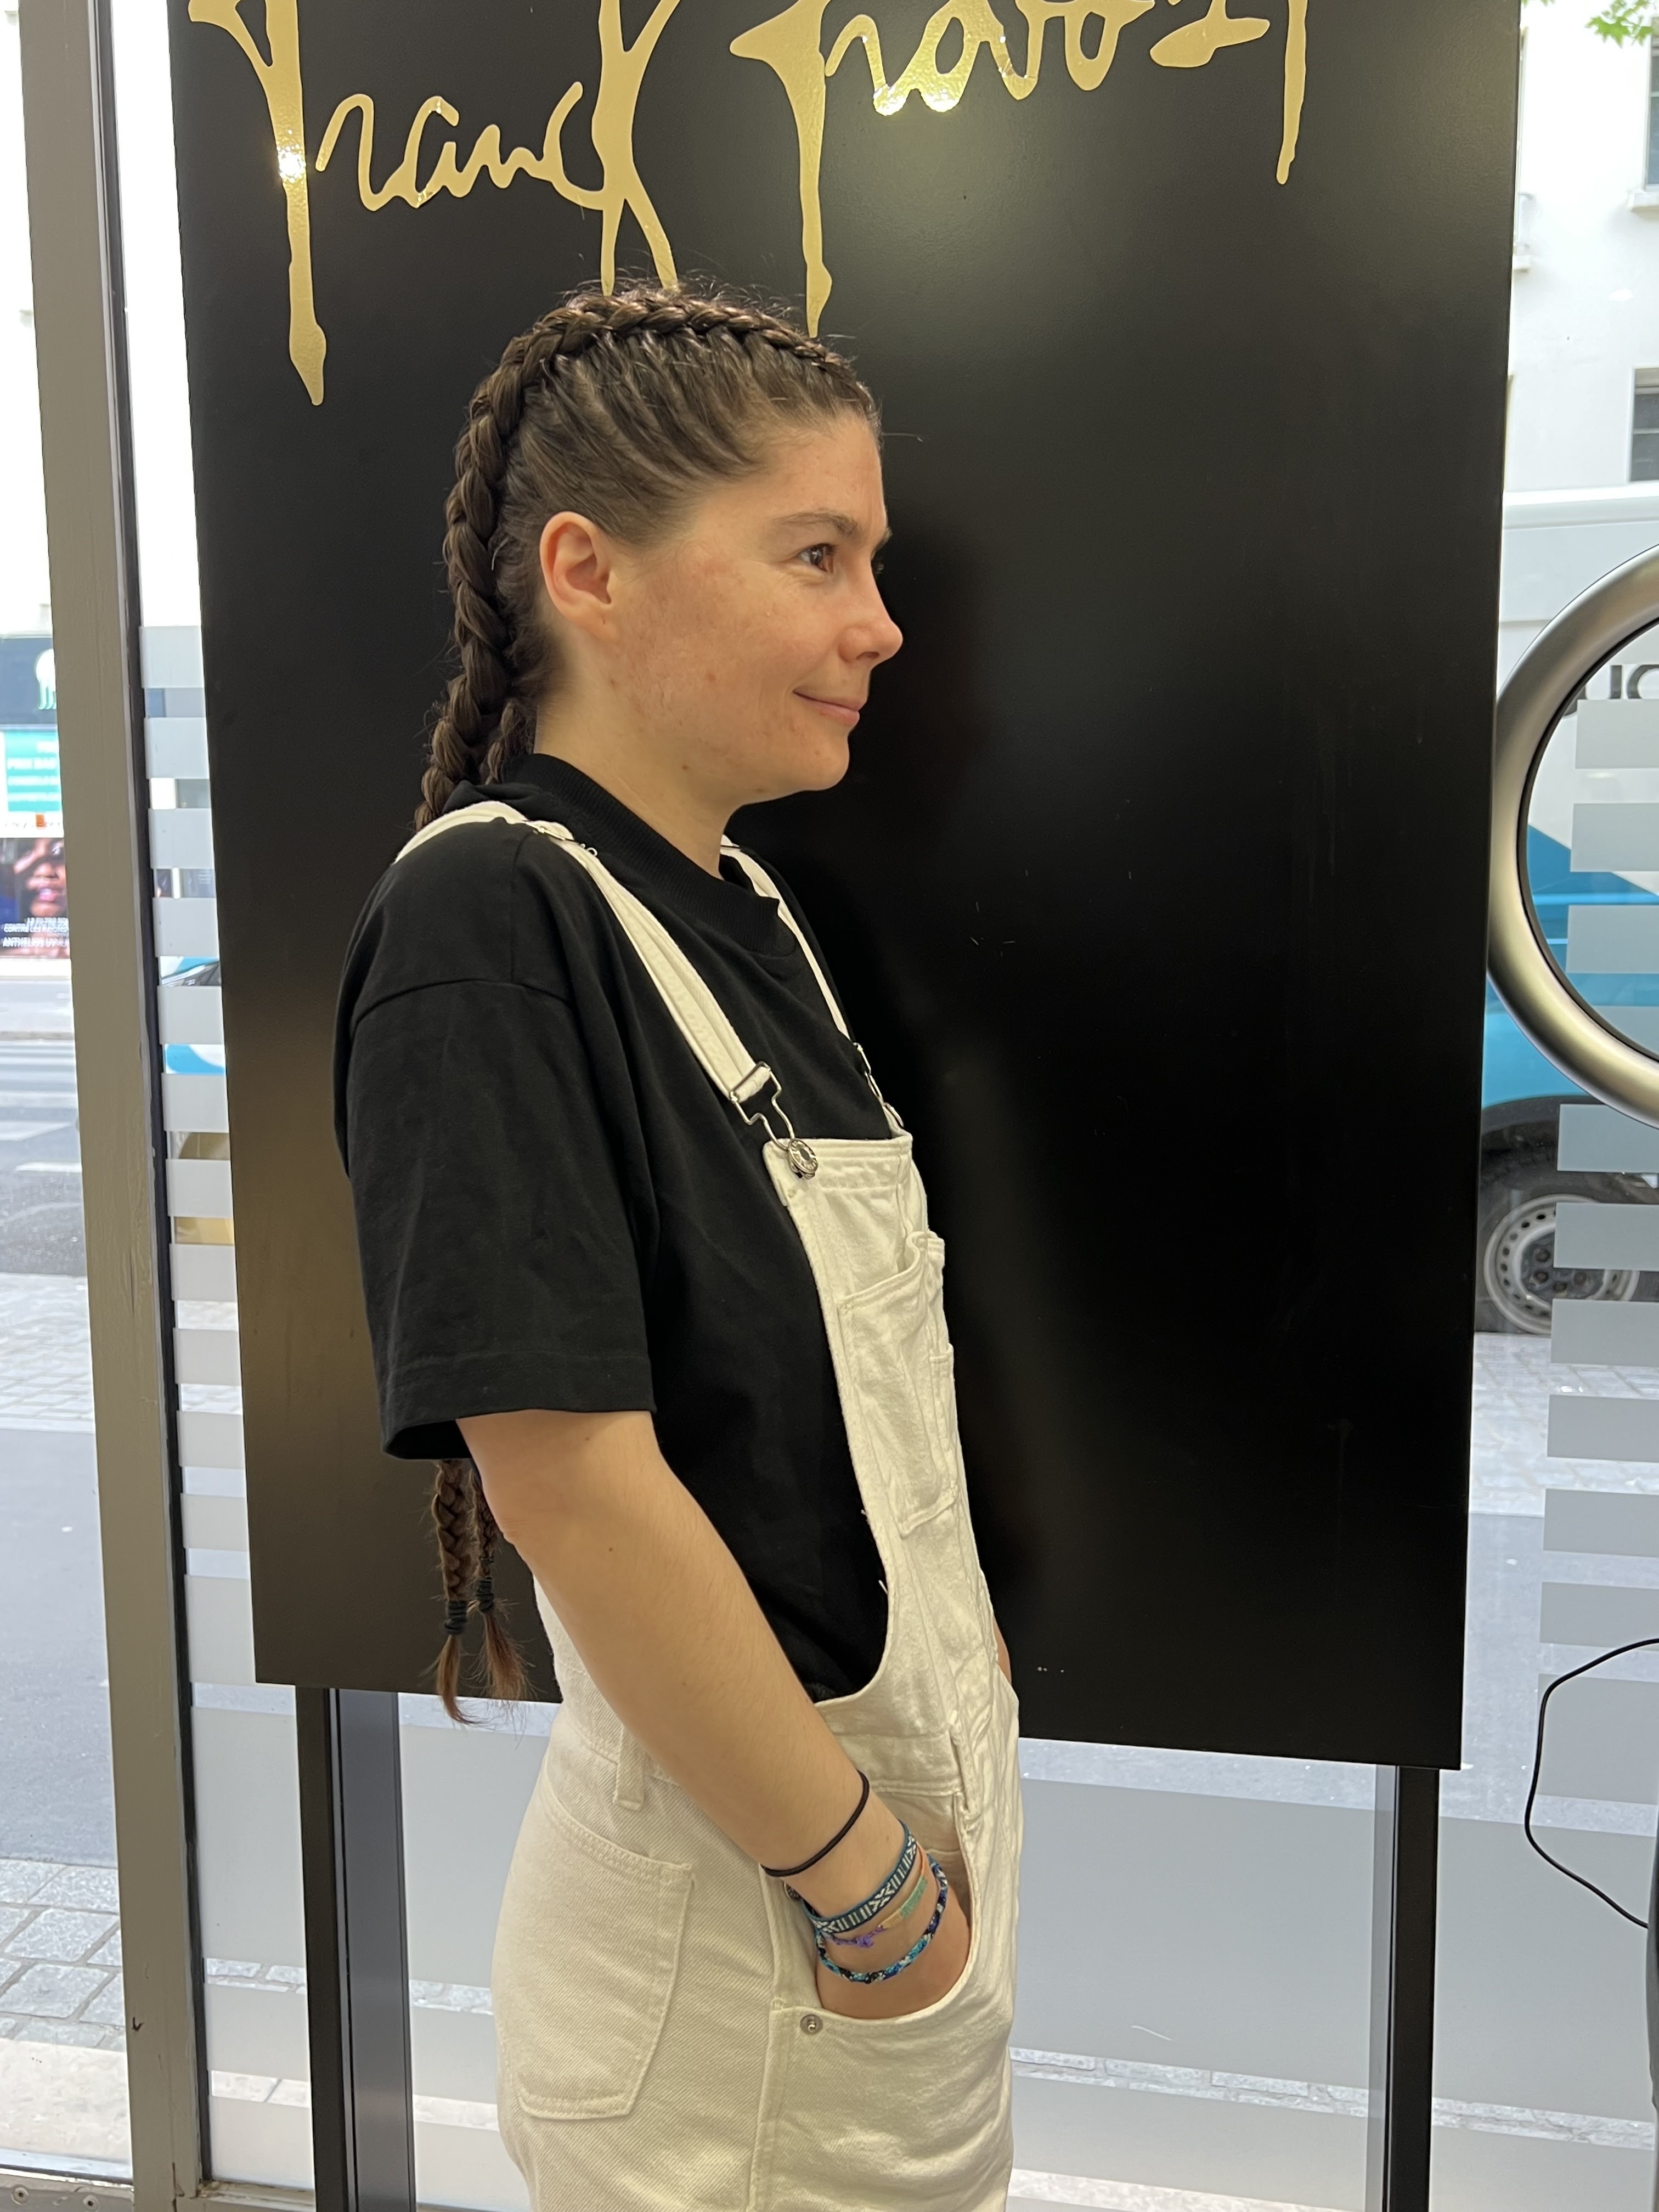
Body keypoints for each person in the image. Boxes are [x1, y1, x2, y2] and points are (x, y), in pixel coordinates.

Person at [334, 284, 1021, 2211]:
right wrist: (868, 1891)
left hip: (862, 1896)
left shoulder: (747, 912)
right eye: (817, 555)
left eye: (871, 559)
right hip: (754, 1962)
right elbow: (566, 1477)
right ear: (589, 573)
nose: (880, 623)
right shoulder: (491, 922)